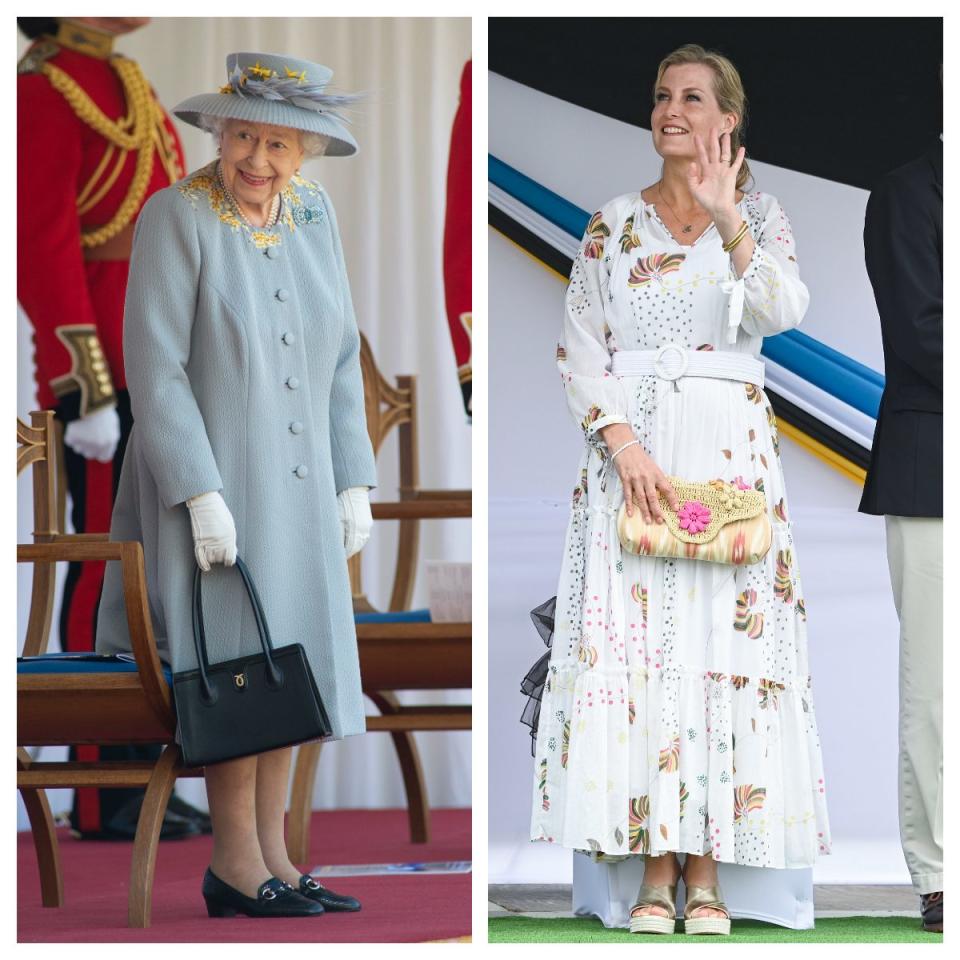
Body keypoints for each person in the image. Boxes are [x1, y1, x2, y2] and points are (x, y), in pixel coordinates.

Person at [528, 44, 830, 936]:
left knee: (719, 654)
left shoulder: (761, 216)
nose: (671, 110)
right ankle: (652, 873)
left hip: (729, 460)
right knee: (644, 658)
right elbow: (581, 344)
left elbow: (782, 312)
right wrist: (622, 446)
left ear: (726, 119)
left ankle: (708, 876)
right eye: (662, 95)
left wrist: (728, 216)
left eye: (692, 98)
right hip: (635, 461)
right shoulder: (612, 224)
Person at [95, 51, 377, 918]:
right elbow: (157, 367)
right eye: (246, 137)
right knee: (239, 673)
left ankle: (280, 859)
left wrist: (353, 478)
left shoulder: (313, 214)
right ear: (220, 130)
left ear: (308, 152)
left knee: (292, 666)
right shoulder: (175, 216)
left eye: (281, 146)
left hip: (302, 488)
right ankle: (234, 862)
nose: (260, 159)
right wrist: (197, 490)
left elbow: (338, 358)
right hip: (216, 490)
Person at [17, 16, 209, 842]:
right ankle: (101, 788)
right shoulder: (42, 92)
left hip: (159, 356)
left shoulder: (124, 80)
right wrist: (83, 383)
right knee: (106, 570)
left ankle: (145, 768)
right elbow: (39, 242)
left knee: (155, 575)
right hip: (102, 369)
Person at [859, 128, 942, 933]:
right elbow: (922, 333)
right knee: (938, 688)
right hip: (936, 461)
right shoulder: (910, 190)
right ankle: (945, 875)